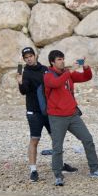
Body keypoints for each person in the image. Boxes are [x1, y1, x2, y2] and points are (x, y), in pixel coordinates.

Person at [43, 50, 98, 186]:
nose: (62, 61)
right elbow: (56, 83)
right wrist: (69, 71)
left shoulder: (68, 73)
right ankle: (58, 176)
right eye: (59, 59)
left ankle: (94, 169)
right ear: (52, 62)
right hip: (57, 117)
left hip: (72, 115)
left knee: (88, 139)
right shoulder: (48, 75)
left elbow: (86, 77)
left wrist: (85, 67)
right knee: (57, 148)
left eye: (63, 59)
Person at [17, 47, 71, 182]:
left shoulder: (45, 70)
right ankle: (33, 170)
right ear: (24, 59)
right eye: (26, 57)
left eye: (30, 56)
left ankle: (60, 164)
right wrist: (20, 82)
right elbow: (24, 91)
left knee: (56, 138)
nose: (29, 59)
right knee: (34, 139)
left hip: (49, 110)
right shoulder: (26, 73)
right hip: (34, 112)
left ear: (35, 56)